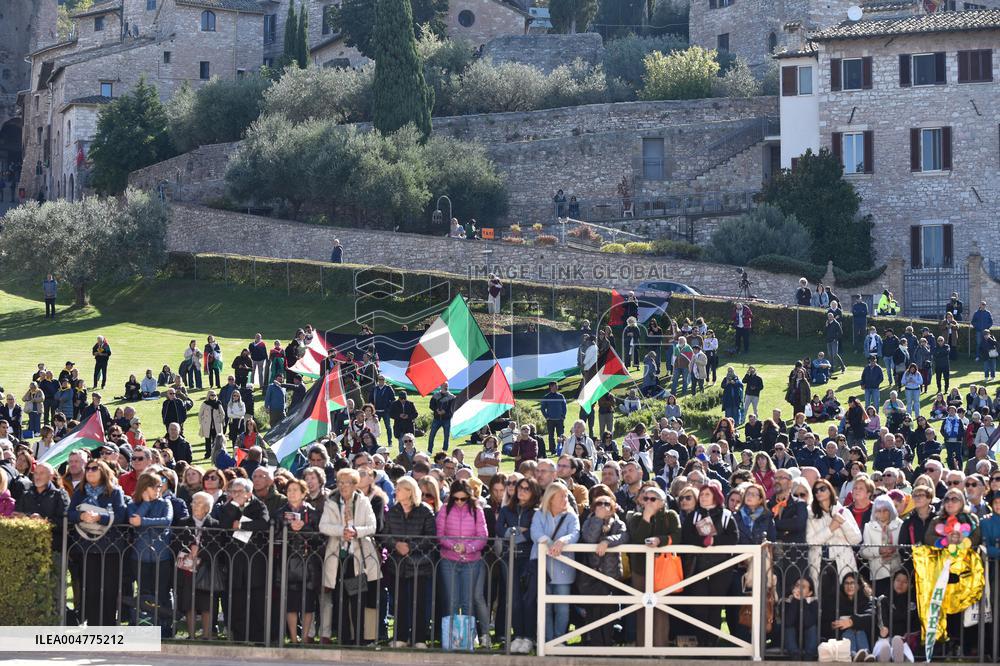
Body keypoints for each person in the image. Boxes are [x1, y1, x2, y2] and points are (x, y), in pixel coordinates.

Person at [67, 459, 128, 626]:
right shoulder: (79, 492)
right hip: (87, 547)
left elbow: (121, 516)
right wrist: (81, 516)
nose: (90, 471)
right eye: (88, 468)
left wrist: (100, 517)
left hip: (110, 548)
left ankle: (108, 625)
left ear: (103, 471)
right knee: (91, 589)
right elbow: (70, 513)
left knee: (109, 589)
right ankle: (93, 625)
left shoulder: (114, 492)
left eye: (94, 468)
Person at [681, 483, 738, 646]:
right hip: (697, 567)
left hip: (721, 568)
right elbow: (686, 537)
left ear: (715, 495)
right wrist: (702, 541)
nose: (703, 497)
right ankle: (701, 642)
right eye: (702, 494)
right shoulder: (694, 515)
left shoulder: (726, 515)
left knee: (715, 606)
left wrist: (714, 541)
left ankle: (711, 645)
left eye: (707, 494)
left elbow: (733, 538)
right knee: (699, 606)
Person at [382, 476, 436, 648]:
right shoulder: (393, 511)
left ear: (409, 491)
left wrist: (410, 547)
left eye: (399, 488)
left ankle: (419, 638)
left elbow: (430, 537)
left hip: (419, 565)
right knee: (399, 602)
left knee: (419, 603)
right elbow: (385, 535)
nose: (395, 491)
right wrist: (396, 545)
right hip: (397, 565)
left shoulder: (425, 511)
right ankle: (400, 637)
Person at [436, 478, 490, 647]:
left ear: (469, 496)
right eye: (456, 498)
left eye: (463, 499)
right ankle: (452, 638)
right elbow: (440, 533)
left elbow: (483, 536)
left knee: (467, 601)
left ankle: (468, 637)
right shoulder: (445, 509)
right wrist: (454, 546)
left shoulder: (477, 510)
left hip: (472, 561)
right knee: (452, 600)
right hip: (448, 560)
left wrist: (467, 548)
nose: (459, 502)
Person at [497, 476, 541, 654]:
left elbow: (534, 532)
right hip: (510, 557)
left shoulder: (536, 511)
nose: (521, 491)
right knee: (514, 599)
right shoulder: (508, 509)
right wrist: (514, 532)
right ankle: (519, 635)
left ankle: (529, 637)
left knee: (528, 600)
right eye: (520, 487)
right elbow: (499, 528)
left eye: (526, 488)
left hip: (529, 559)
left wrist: (519, 534)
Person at [127, 471, 174, 634]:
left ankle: (165, 627)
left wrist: (144, 521)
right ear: (145, 488)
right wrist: (145, 504)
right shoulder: (133, 504)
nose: (159, 490)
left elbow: (166, 521)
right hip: (139, 556)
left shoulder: (166, 503)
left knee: (162, 592)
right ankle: (145, 625)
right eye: (155, 487)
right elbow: (134, 521)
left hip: (162, 556)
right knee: (144, 593)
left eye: (160, 486)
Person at [577, 492, 626, 647]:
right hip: (591, 576)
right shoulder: (589, 521)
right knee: (593, 613)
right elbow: (589, 538)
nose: (603, 507)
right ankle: (596, 645)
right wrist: (598, 519)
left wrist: (606, 541)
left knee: (608, 612)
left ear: (612, 507)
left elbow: (624, 536)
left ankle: (608, 644)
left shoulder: (618, 523)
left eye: (606, 504)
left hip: (611, 576)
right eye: (599, 504)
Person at [860, 496, 902, 599]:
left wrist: (895, 550)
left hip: (897, 572)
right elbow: (864, 551)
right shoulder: (868, 527)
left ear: (891, 510)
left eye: (885, 510)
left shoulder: (900, 524)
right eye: (878, 511)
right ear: (874, 512)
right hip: (878, 573)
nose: (882, 513)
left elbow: (904, 546)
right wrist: (879, 550)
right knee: (881, 604)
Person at [540, 382, 566, 459]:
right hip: (550, 420)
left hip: (559, 420)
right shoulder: (546, 397)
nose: (556, 387)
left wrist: (563, 416)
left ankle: (562, 450)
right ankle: (552, 450)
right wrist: (546, 417)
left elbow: (564, 407)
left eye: (556, 386)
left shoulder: (561, 396)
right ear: (550, 387)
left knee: (561, 435)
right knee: (551, 436)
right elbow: (542, 408)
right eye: (554, 386)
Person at [428, 382, 455, 454]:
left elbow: (453, 408)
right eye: (444, 386)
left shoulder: (452, 397)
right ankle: (429, 451)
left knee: (446, 436)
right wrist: (436, 410)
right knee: (431, 435)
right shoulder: (435, 396)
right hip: (436, 419)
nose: (446, 387)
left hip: (446, 419)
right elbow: (431, 405)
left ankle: (444, 451)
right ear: (441, 386)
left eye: (447, 386)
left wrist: (445, 412)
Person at [198, 391, 226, 459]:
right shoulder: (205, 403)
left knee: (216, 440)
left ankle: (216, 454)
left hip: (216, 425)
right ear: (208, 396)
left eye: (214, 395)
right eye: (211, 395)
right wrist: (202, 422)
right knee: (207, 440)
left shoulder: (218, 403)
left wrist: (220, 420)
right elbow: (200, 414)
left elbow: (223, 413)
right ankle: (208, 453)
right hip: (207, 425)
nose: (213, 396)